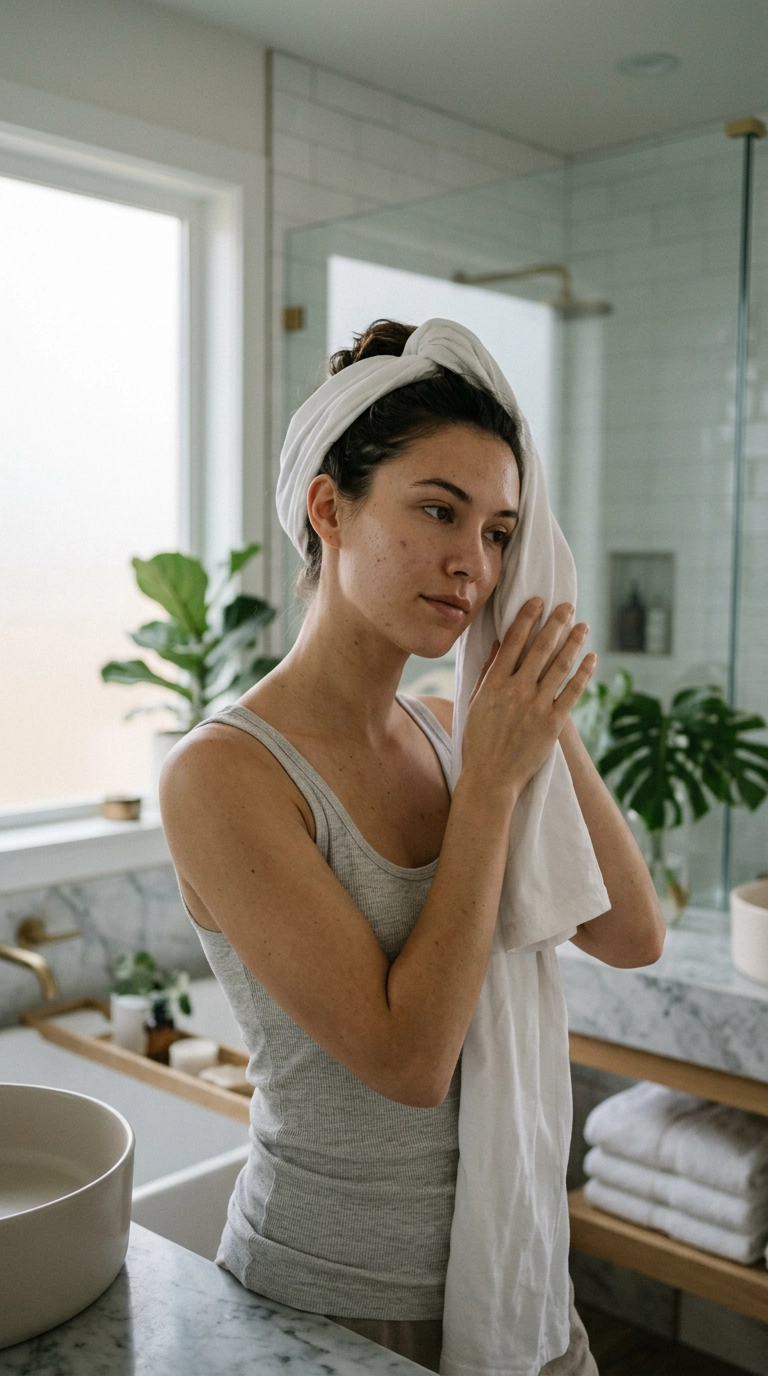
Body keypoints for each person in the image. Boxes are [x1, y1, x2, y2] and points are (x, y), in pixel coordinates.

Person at [160, 318, 664, 1376]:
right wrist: (490, 781)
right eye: (439, 509)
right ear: (329, 506)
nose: (472, 563)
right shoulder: (224, 773)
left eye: (499, 532)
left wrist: (537, 708)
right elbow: (408, 1060)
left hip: (511, 1271)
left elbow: (630, 930)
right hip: (330, 1301)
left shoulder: (452, 721)